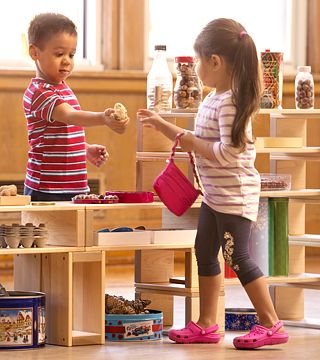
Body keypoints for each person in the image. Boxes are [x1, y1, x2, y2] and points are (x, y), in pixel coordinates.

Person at [137, 18, 289, 350]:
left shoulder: (232, 102)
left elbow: (227, 152)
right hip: (215, 195)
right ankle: (207, 324)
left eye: (199, 61)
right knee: (204, 252)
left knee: (237, 257)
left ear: (215, 61)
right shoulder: (212, 99)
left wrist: (191, 144)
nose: (197, 68)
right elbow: (197, 140)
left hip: (234, 196)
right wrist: (165, 126)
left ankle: (271, 322)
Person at [23, 13, 129, 201]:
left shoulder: (62, 88)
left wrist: (84, 149)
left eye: (71, 55)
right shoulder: (40, 92)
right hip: (47, 189)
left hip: (75, 186)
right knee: (50, 232)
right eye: (59, 54)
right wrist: (103, 118)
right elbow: (70, 116)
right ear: (34, 53)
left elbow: (59, 135)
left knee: (75, 230)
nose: (67, 61)